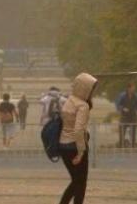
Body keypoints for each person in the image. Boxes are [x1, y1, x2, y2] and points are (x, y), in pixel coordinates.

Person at [59, 73, 97, 204]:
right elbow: (78, 130)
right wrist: (81, 152)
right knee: (81, 183)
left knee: (76, 181)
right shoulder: (82, 106)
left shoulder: (69, 101)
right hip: (76, 146)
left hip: (63, 145)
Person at [115, 82, 137, 147]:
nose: (133, 89)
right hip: (124, 116)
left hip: (133, 116)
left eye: (134, 88)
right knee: (122, 131)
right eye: (132, 88)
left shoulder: (136, 96)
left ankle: (133, 146)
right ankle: (121, 145)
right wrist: (123, 108)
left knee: (133, 132)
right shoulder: (123, 95)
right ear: (128, 88)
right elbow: (118, 105)